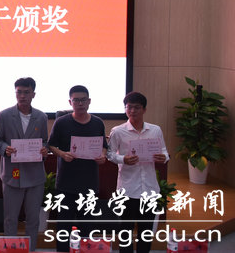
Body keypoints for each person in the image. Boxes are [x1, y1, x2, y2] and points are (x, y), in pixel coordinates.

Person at [47, 85, 107, 252]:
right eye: (76, 100)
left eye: (83, 100)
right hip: (66, 184)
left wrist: (102, 156)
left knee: (87, 226)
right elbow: (51, 145)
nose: (80, 103)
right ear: (70, 102)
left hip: (89, 183)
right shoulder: (61, 122)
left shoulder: (97, 123)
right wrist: (62, 154)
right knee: (64, 226)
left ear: (89, 101)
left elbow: (104, 145)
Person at [107, 92, 169, 253]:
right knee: (125, 231)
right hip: (127, 189)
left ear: (144, 109)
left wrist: (164, 157)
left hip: (149, 189)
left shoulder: (155, 130)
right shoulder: (118, 131)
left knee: (146, 232)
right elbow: (109, 154)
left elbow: (164, 151)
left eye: (137, 107)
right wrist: (123, 159)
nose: (132, 111)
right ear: (125, 109)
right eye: (129, 107)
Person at [0, 77, 48, 252]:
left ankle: (30, 249)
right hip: (13, 173)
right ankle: (10, 249)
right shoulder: (5, 115)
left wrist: (44, 150)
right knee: (11, 218)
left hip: (34, 175)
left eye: (26, 92)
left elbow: (45, 142)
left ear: (33, 94)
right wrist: (5, 149)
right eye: (19, 92)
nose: (22, 96)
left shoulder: (41, 117)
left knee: (33, 219)